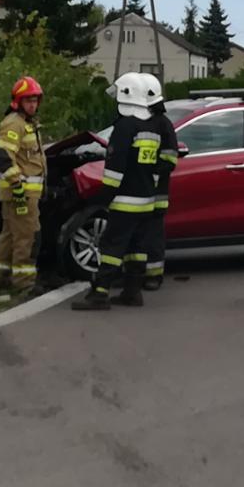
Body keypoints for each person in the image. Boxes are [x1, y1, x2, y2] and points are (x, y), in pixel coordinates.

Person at [72, 73, 162, 312]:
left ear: (126, 96)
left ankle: (99, 293)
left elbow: (115, 168)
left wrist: (103, 197)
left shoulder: (124, 128)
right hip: (146, 201)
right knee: (136, 249)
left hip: (125, 201)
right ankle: (133, 293)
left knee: (111, 247)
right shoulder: (149, 127)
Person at [0, 76, 47, 294]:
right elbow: (4, 157)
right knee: (28, 237)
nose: (33, 104)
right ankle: (24, 284)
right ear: (18, 101)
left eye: (35, 100)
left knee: (9, 236)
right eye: (28, 101)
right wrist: (17, 187)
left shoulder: (26, 123)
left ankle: (1, 279)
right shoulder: (14, 123)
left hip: (21, 192)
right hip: (21, 193)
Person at [138, 90, 180, 291]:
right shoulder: (140, 122)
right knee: (138, 235)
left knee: (153, 236)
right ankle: (136, 273)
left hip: (156, 193)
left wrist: (151, 171)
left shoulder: (163, 124)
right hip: (139, 192)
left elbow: (170, 159)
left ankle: (154, 275)